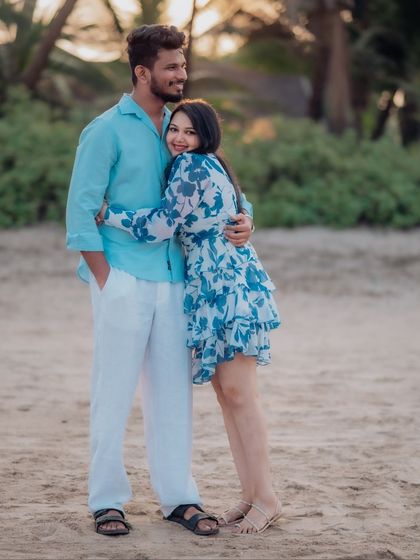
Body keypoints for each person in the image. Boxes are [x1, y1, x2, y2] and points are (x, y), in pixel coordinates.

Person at [66, 25, 253, 537]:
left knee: (173, 393)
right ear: (142, 71)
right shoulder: (105, 130)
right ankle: (107, 499)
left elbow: (220, 184)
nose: (182, 74)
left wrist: (245, 220)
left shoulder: (183, 124)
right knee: (114, 390)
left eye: (183, 66)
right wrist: (106, 278)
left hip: (178, 282)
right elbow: (81, 212)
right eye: (172, 67)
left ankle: (179, 497)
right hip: (123, 277)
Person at [97, 99, 282, 535]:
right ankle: (250, 494)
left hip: (223, 282)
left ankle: (267, 498)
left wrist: (110, 214)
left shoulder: (192, 167)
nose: (179, 138)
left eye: (190, 132)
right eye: (174, 129)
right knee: (227, 394)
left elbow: (160, 225)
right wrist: (246, 218)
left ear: (206, 136)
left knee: (239, 393)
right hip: (211, 280)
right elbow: (231, 207)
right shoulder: (208, 163)